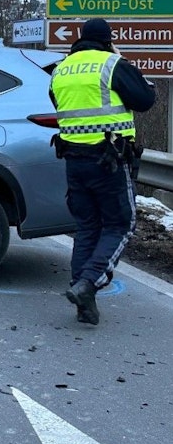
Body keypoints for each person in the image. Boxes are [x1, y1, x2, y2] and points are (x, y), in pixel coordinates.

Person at [49, 17, 155, 325]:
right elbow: (145, 99)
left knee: (87, 228)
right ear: (108, 40)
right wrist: (123, 61)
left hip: (73, 161)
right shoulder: (111, 64)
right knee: (120, 224)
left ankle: (83, 300)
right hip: (108, 160)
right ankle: (89, 282)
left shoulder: (62, 69)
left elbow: (58, 104)